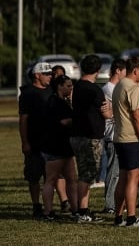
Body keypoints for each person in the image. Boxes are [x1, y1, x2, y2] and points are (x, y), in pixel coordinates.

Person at [112, 55, 139, 228]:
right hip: (132, 139)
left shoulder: (119, 85)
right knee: (133, 178)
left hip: (119, 137)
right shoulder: (133, 88)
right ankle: (131, 218)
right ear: (136, 70)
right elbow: (137, 117)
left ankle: (118, 217)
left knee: (122, 177)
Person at [69, 54, 108, 223]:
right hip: (90, 137)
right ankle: (82, 211)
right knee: (87, 174)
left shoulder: (77, 87)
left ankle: (80, 209)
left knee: (84, 173)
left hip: (77, 135)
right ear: (98, 71)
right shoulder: (94, 90)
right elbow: (106, 113)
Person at [19, 63, 53, 220]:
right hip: (34, 142)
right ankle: (36, 205)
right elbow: (23, 119)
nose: (49, 76)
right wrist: (25, 142)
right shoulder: (28, 94)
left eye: (50, 73)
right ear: (37, 75)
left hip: (50, 142)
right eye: (46, 73)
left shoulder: (52, 90)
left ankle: (48, 207)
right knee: (34, 176)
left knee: (50, 177)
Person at [44, 74, 80, 221]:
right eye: (68, 86)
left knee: (72, 178)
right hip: (55, 146)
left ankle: (76, 209)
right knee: (51, 179)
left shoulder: (63, 101)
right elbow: (64, 122)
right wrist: (78, 119)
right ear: (59, 86)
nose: (71, 88)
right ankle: (48, 212)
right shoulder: (54, 102)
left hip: (65, 146)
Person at [101, 58, 128, 214]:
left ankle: (115, 203)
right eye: (125, 71)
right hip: (112, 136)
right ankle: (110, 204)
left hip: (119, 134)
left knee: (119, 172)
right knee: (113, 172)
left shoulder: (115, 88)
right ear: (118, 70)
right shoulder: (110, 89)